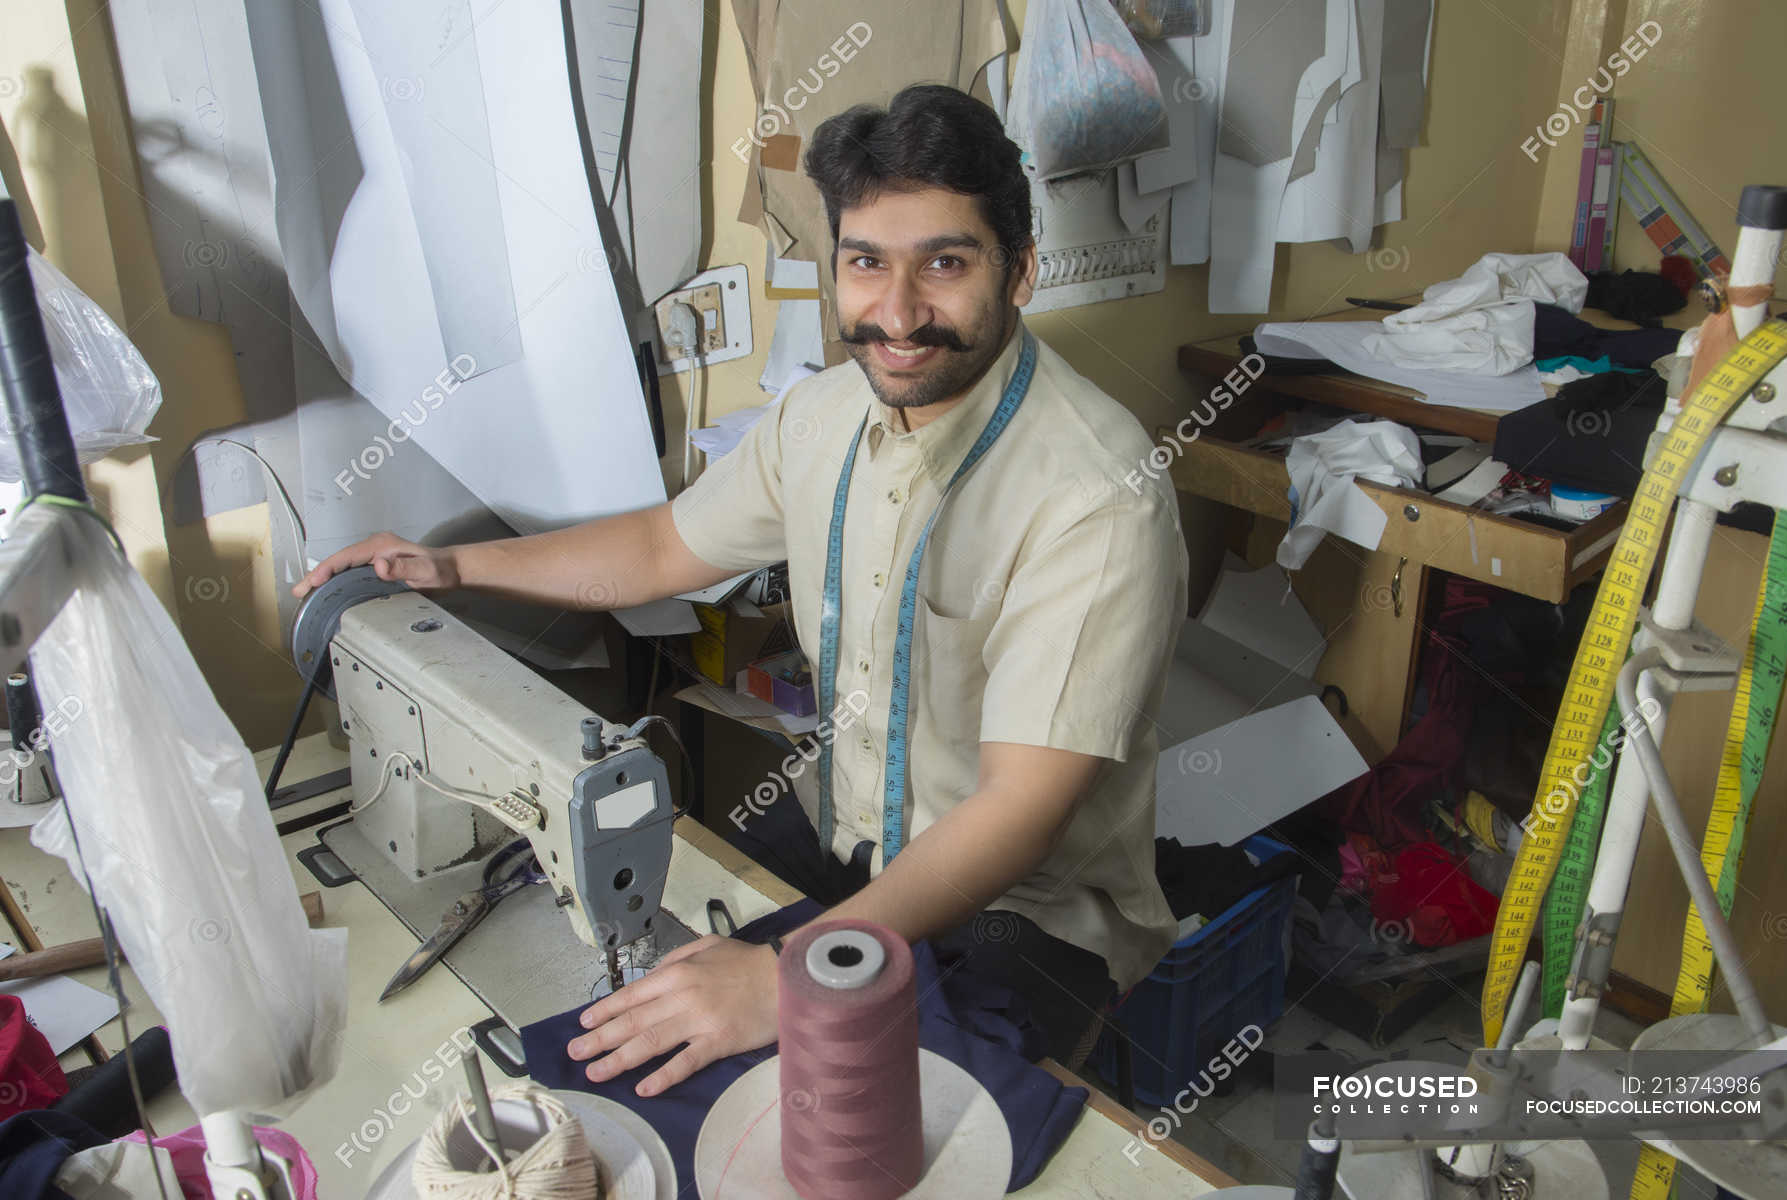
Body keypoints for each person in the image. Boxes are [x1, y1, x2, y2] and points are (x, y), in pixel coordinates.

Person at [293, 84, 1187, 1096]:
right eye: (865, 264)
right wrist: (449, 568)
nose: (895, 313)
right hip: (846, 827)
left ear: (1019, 271)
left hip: (1026, 905)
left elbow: (1019, 809)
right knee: (645, 1033)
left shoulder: (1095, 494)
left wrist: (788, 976)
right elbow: (660, 549)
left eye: (945, 263)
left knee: (895, 1130)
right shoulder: (822, 418)